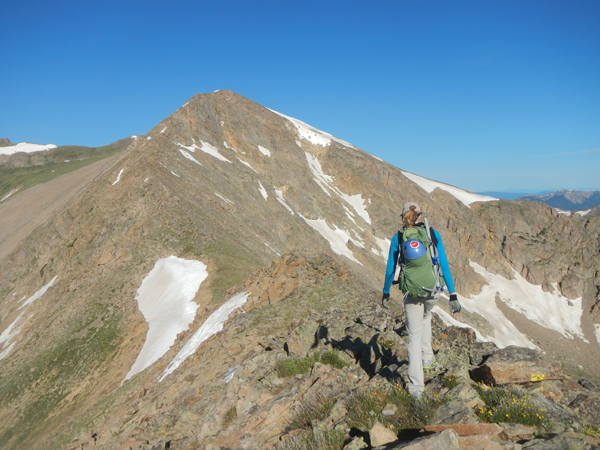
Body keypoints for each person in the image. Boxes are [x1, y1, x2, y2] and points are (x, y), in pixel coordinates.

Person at [381, 202, 460, 399]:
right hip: (433, 291)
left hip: (411, 293)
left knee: (413, 337)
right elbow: (443, 265)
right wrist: (453, 294)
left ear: (403, 218)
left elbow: (391, 268)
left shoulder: (399, 238)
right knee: (427, 314)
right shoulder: (431, 234)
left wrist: (385, 291)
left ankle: (416, 387)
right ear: (420, 216)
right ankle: (427, 357)